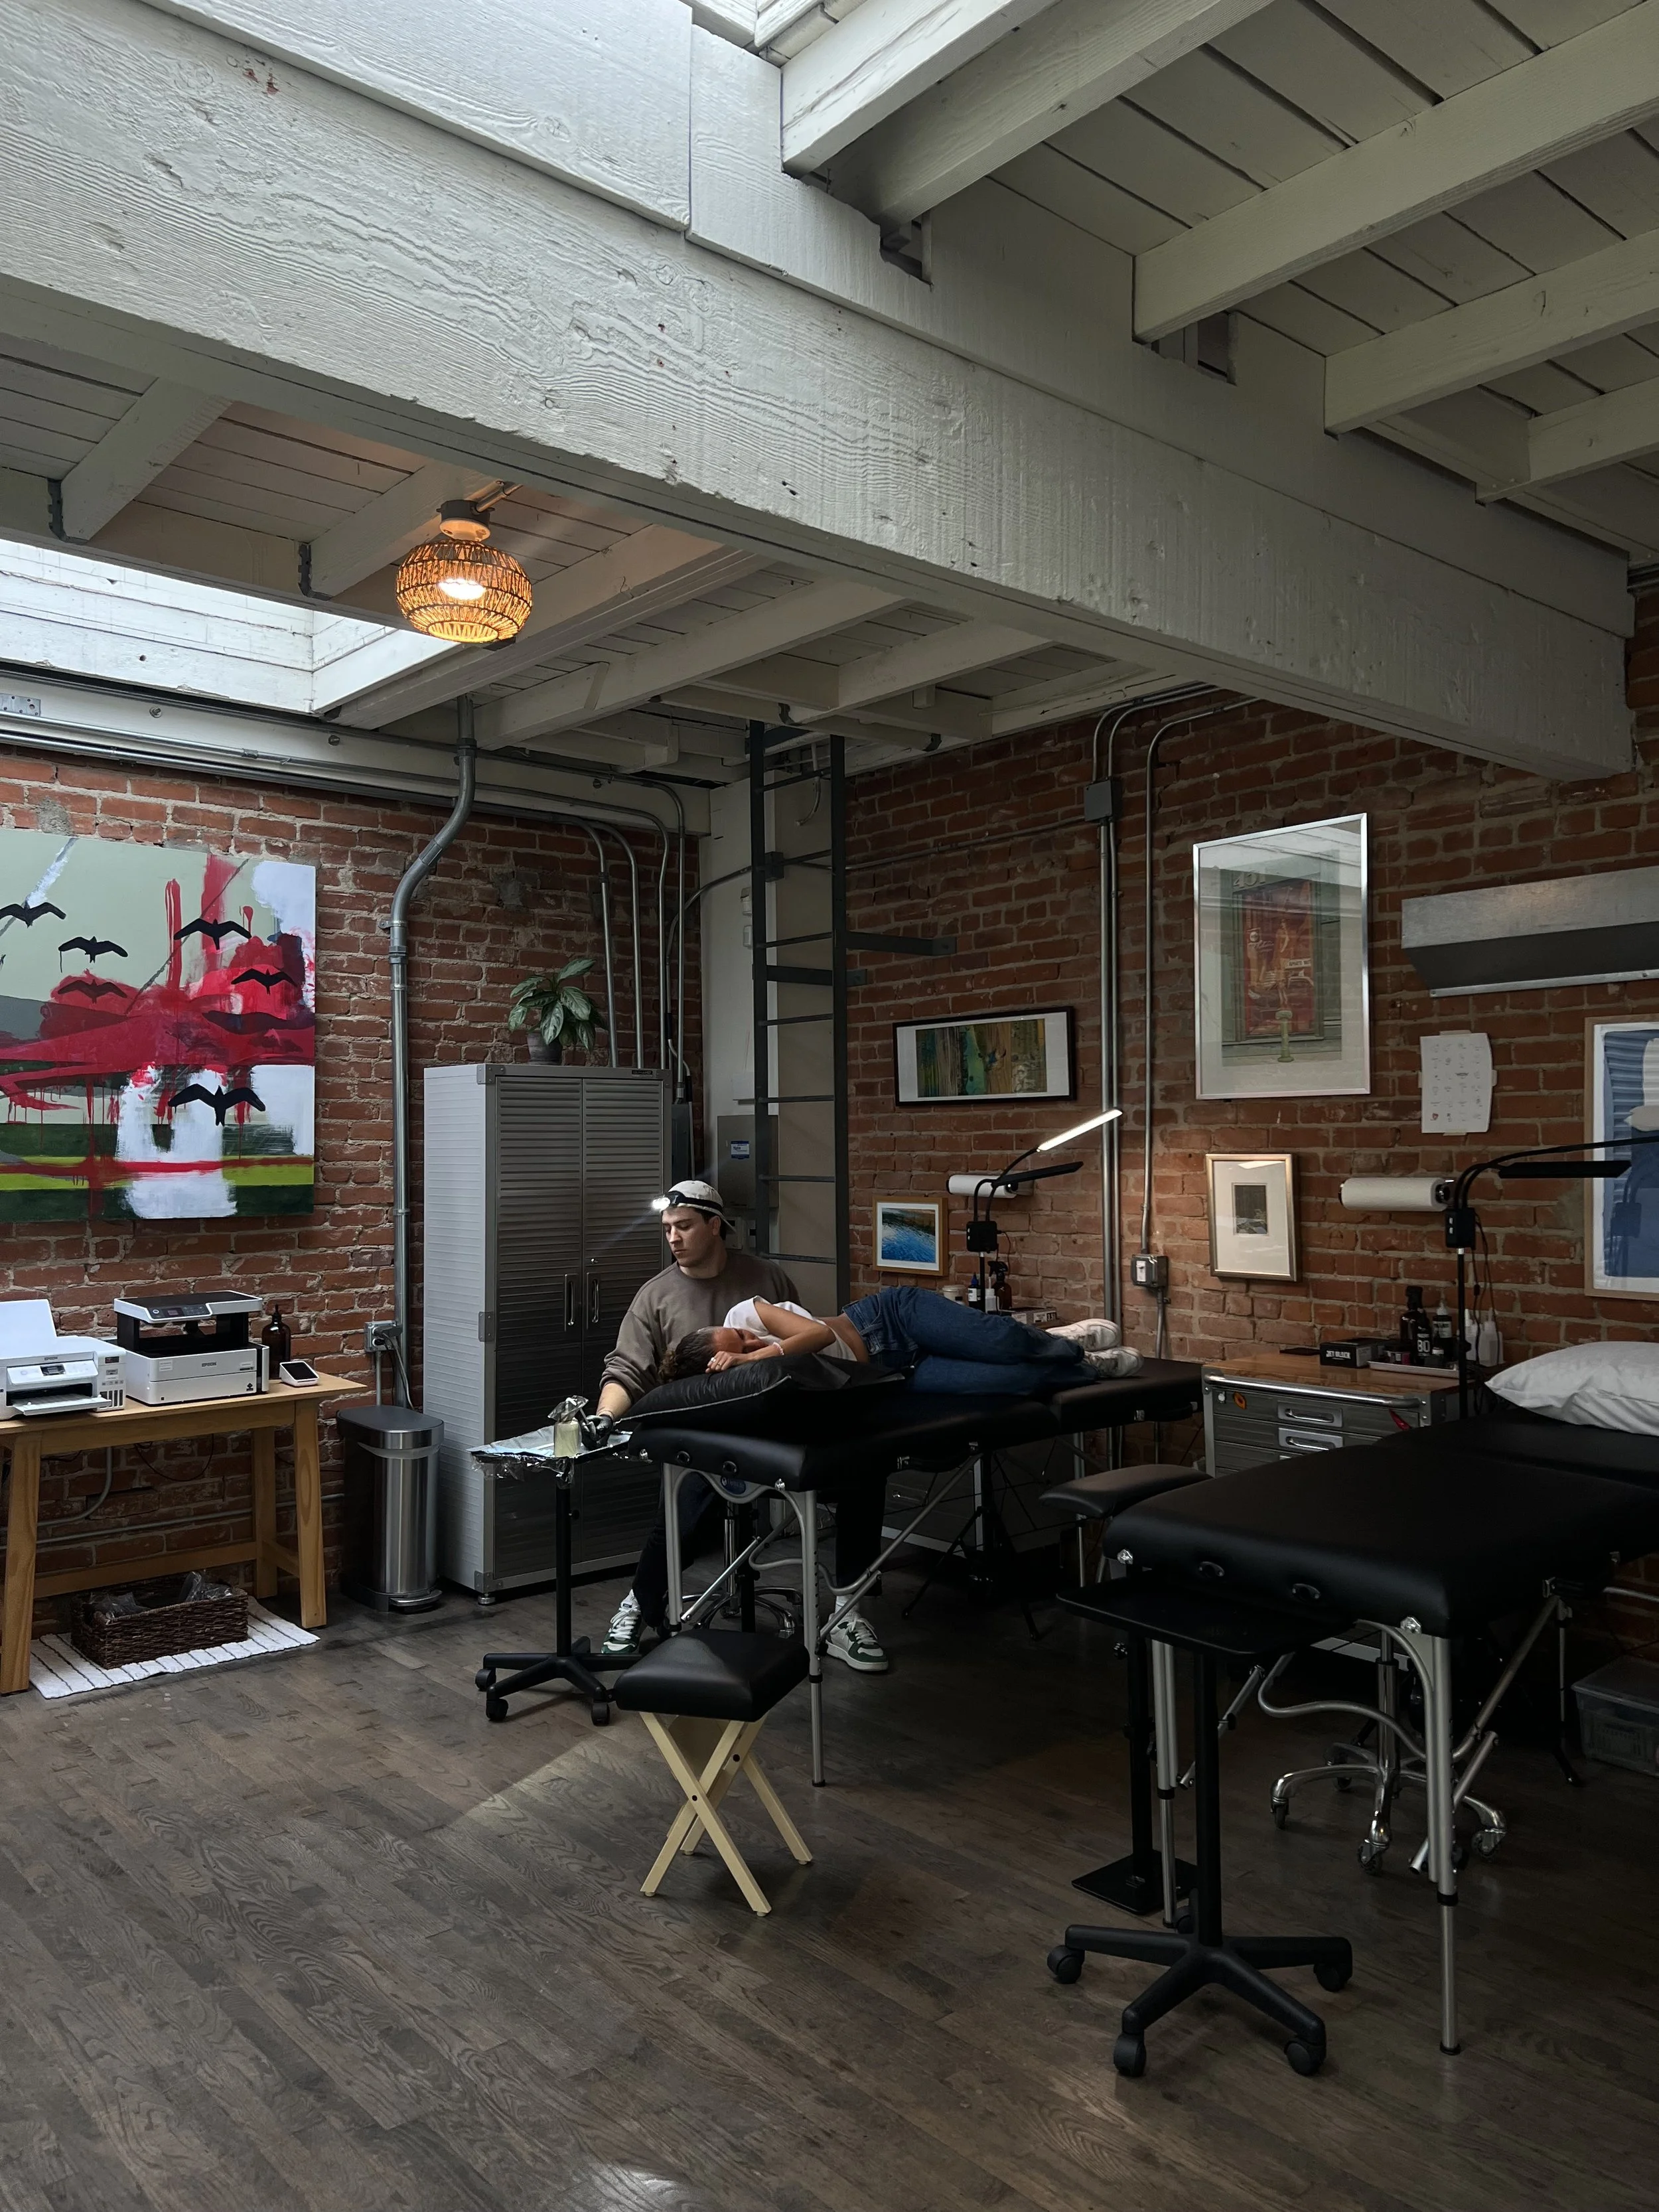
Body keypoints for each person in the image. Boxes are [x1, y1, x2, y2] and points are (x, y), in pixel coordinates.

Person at [595, 1181, 889, 1672]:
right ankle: (638, 1605)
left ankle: (845, 1614)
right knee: (684, 1508)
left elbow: (803, 1343)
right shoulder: (657, 1296)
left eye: (684, 1226)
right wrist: (605, 1417)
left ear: (716, 1225)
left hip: (782, 1424)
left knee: (865, 1468)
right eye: (667, 1228)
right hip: (712, 1440)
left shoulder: (765, 1278)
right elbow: (626, 1369)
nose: (674, 1237)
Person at [662, 1283, 1100, 1396]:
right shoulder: (747, 1380)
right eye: (741, 1344)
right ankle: (1092, 1368)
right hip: (895, 1372)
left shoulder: (742, 1313)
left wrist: (757, 1352)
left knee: (1004, 1342)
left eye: (740, 1335)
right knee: (1015, 1383)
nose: (746, 1337)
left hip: (890, 1320)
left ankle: (1070, 1342)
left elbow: (817, 1334)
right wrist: (747, 1364)